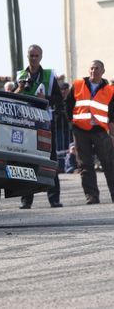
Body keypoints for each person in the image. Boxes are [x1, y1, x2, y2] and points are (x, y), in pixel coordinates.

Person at [15, 44, 64, 208]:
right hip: (26, 123)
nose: (34, 58)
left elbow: (59, 100)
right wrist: (20, 88)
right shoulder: (20, 75)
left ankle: (54, 198)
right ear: (27, 57)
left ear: (41, 57)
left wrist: (46, 97)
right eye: (31, 56)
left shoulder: (49, 75)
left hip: (45, 122)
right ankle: (26, 200)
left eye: (36, 56)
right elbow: (11, 98)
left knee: (50, 158)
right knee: (25, 159)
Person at [65, 60, 114, 204]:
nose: (94, 71)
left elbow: (112, 112)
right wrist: (71, 123)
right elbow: (68, 104)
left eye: (97, 69)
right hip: (80, 131)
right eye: (91, 68)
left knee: (109, 163)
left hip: (100, 131)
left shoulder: (110, 89)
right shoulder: (78, 84)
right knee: (85, 165)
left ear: (103, 71)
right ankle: (92, 196)